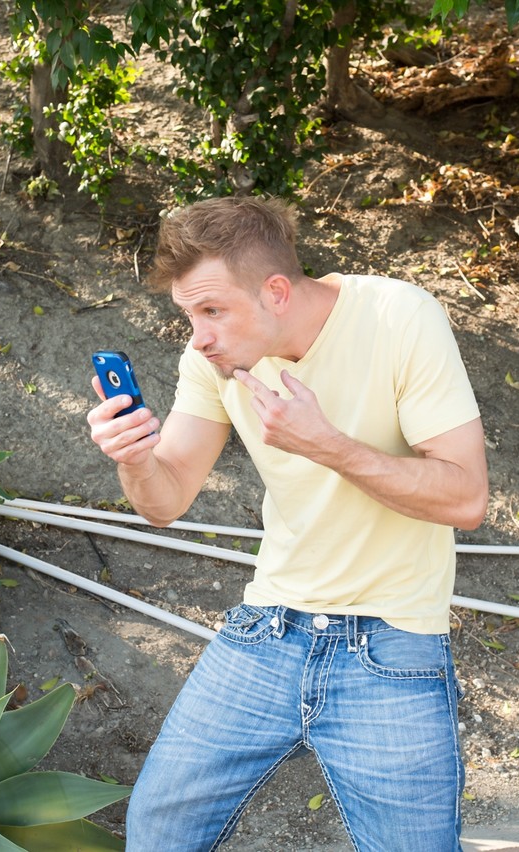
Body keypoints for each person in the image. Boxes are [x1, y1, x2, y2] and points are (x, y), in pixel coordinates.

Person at [86, 195, 488, 851]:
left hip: (390, 647)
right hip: (268, 631)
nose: (199, 334)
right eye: (189, 313)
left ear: (276, 291)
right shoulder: (213, 362)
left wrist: (327, 444)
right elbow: (166, 499)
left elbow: (466, 497)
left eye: (212, 309)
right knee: (159, 831)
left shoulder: (397, 316)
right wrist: (133, 459)